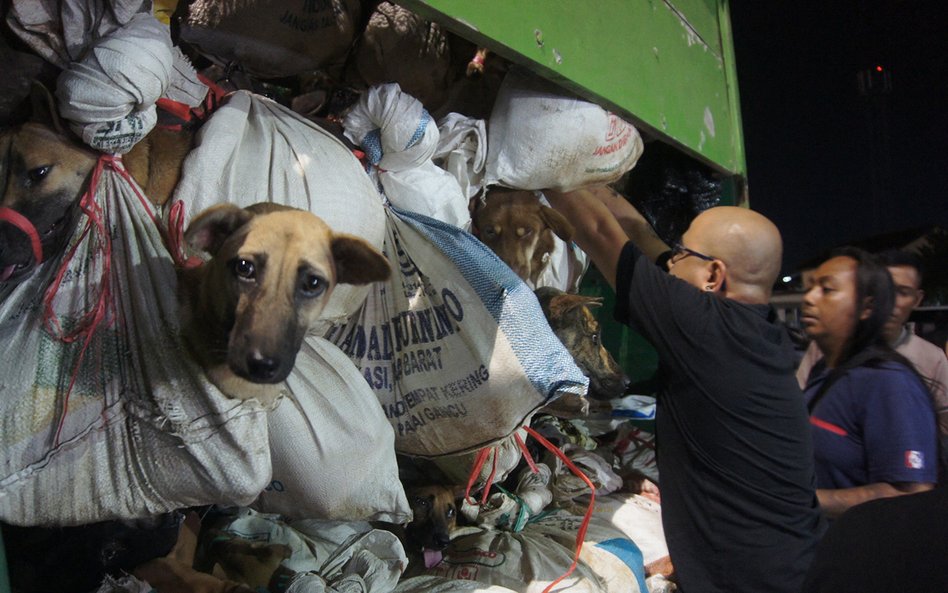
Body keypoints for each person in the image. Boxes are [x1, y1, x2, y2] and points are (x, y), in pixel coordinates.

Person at [544, 185, 823, 593]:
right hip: (792, 561)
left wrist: (545, 164)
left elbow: (602, 233)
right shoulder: (754, 333)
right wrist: (596, 181)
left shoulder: (709, 330)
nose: (670, 263)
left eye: (682, 255)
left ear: (713, 275)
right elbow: (642, 237)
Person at [799, 247, 938, 518]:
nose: (809, 298)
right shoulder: (822, 368)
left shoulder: (887, 381)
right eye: (811, 286)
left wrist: (805, 502)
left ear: (867, 307)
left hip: (858, 555)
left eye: (826, 289)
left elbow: (911, 493)